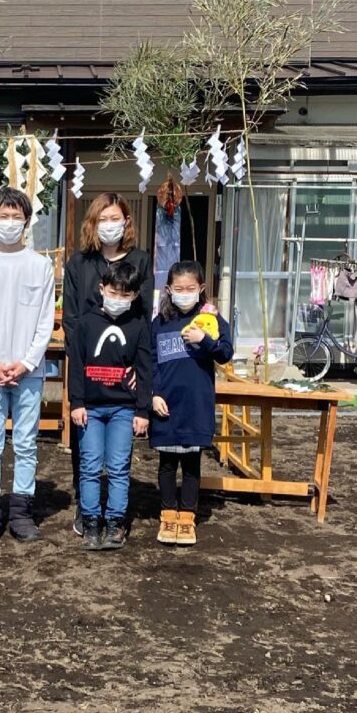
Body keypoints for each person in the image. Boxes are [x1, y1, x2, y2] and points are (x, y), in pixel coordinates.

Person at [0, 187, 56, 545]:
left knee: (26, 442)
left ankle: (21, 511)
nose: (10, 222)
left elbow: (45, 320)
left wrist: (27, 361)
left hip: (28, 371)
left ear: (27, 222)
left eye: (17, 216)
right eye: (4, 216)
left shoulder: (40, 265)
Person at [62, 193, 154, 536]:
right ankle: (85, 508)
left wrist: (135, 366)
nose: (110, 225)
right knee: (85, 447)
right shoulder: (79, 263)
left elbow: (144, 316)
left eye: (116, 218)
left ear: (127, 221)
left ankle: (116, 514)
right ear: (93, 222)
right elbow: (72, 318)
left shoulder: (141, 261)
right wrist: (82, 362)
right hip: (89, 366)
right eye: (103, 218)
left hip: (124, 371)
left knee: (118, 454)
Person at [68, 261, 151, 551]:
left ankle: (115, 521)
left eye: (125, 295)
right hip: (89, 408)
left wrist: (142, 411)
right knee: (90, 466)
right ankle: (91, 520)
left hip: (123, 409)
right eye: (113, 292)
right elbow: (76, 365)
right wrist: (76, 403)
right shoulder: (85, 324)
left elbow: (144, 369)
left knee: (118, 467)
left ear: (135, 295)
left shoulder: (138, 325)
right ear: (102, 289)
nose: (118, 299)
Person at [150, 260, 233, 547]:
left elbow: (225, 353)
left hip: (196, 404)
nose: (184, 293)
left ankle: (187, 518)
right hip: (166, 404)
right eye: (179, 288)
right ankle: (167, 514)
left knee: (192, 463)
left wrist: (205, 340)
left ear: (201, 289)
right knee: (166, 463)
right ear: (169, 289)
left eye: (190, 288)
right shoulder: (160, 322)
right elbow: (149, 362)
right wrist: (153, 394)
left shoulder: (211, 320)